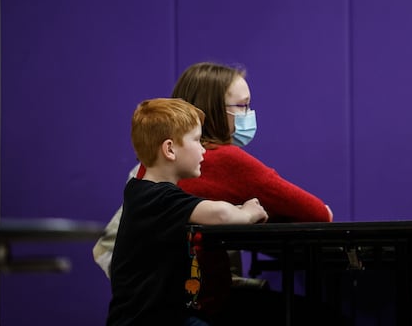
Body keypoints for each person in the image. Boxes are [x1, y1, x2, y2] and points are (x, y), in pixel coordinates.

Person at [95, 62, 337, 323]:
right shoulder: (172, 189)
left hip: (176, 305)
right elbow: (320, 213)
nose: (249, 114)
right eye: (242, 106)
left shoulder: (143, 177)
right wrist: (246, 211)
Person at [107, 98, 268, 326]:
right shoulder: (154, 197)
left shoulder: (149, 194)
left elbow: (205, 208)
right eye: (197, 140)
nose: (203, 149)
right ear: (170, 149)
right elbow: (220, 214)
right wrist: (249, 212)